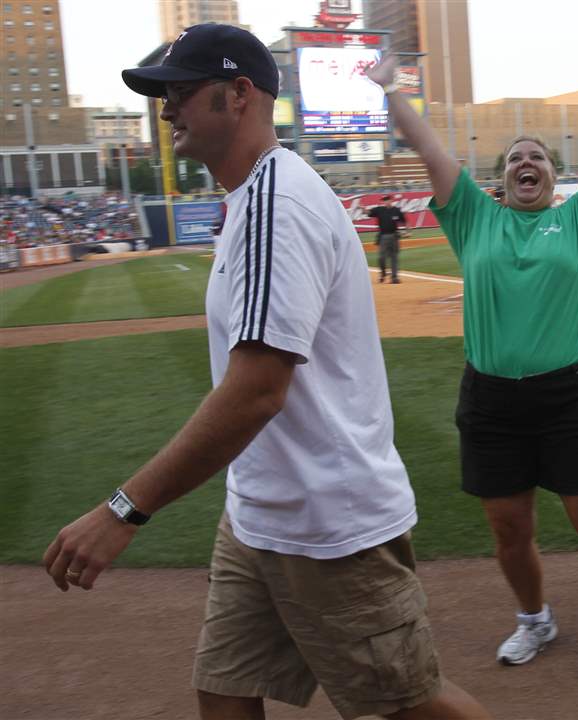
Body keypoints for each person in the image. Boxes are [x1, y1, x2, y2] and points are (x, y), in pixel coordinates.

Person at [42, 24, 489, 720]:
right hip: (259, 512)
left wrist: (123, 509)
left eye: (181, 91)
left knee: (407, 702)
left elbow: (256, 391)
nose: (166, 109)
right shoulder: (253, 198)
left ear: (239, 94)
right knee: (224, 685)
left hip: (326, 521)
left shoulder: (278, 204)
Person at [365, 50, 578, 666]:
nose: (527, 163)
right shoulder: (473, 218)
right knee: (509, 529)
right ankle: (535, 620)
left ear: (552, 175)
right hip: (491, 399)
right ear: (501, 180)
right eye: (516, 158)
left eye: (537, 157)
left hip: (571, 395)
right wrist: (390, 91)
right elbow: (431, 151)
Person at [367, 194, 407, 283]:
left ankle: (394, 277)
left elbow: (404, 220)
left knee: (394, 257)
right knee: (381, 257)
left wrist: (407, 231)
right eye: (384, 200)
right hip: (383, 236)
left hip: (394, 236)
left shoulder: (396, 210)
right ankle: (383, 273)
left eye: (387, 199)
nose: (386, 201)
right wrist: (362, 208)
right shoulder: (379, 210)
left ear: (391, 200)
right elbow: (369, 213)